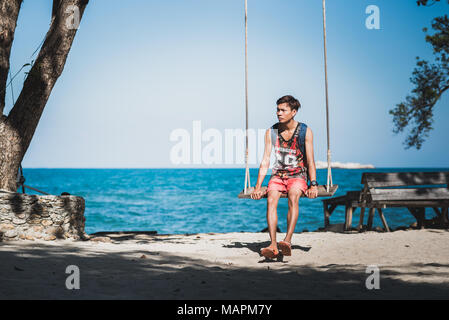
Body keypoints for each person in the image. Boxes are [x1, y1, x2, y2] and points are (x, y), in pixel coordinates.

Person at [251, 95, 318, 259]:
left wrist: (314, 184)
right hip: (278, 176)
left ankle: (287, 241)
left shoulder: (305, 131)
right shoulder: (271, 132)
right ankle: (273, 245)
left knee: (293, 196)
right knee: (271, 198)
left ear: (293, 112)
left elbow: (310, 160)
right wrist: (258, 186)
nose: (279, 113)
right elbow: (266, 160)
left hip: (298, 176)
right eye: (277, 110)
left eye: (283, 110)